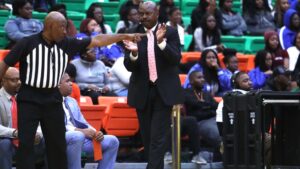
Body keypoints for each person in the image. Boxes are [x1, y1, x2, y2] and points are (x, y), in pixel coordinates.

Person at [0, 11, 141, 169]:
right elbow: (5, 63)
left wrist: (123, 36)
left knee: (58, 145)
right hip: (29, 97)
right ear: (50, 26)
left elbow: (97, 40)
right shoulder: (27, 43)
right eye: (62, 27)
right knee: (26, 145)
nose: (65, 31)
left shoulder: (67, 43)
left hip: (53, 97)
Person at [123, 1, 184, 169]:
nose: (143, 17)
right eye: (140, 13)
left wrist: (161, 43)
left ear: (156, 13)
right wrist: (134, 53)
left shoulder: (170, 32)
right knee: (148, 137)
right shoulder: (132, 33)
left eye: (147, 14)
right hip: (142, 91)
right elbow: (129, 65)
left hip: (163, 91)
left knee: (158, 137)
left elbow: (175, 59)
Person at [59, 73, 119, 169]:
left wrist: (95, 132)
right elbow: (56, 126)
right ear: (58, 85)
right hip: (61, 137)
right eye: (67, 81)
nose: (71, 84)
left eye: (71, 81)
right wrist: (80, 131)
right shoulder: (50, 101)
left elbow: (83, 122)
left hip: (80, 137)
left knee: (113, 141)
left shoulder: (72, 101)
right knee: (77, 136)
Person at [0, 68, 45, 169]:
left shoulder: (29, 97)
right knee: (4, 143)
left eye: (20, 79)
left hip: (30, 141)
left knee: (48, 139)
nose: (19, 82)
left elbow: (40, 121)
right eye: (14, 80)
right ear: (3, 81)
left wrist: (37, 133)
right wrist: (16, 133)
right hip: (9, 142)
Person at [184, 71, 221, 159]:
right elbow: (194, 104)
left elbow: (216, 106)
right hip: (200, 122)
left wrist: (205, 105)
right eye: (199, 78)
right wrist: (208, 107)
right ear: (191, 81)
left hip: (213, 119)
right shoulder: (186, 93)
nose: (203, 80)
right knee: (218, 136)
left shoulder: (206, 94)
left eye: (203, 77)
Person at [216, 71, 253, 136]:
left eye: (250, 80)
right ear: (236, 84)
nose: (250, 83)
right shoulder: (233, 98)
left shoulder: (251, 95)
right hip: (238, 136)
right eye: (245, 81)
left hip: (230, 136)